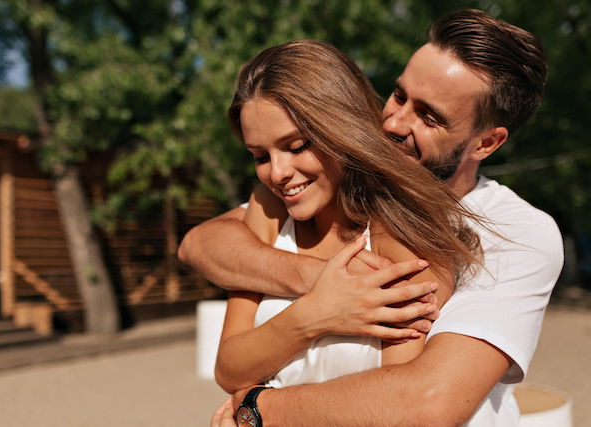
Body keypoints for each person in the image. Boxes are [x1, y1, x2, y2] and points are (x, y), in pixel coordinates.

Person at [179, 8, 564, 426]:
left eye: (429, 117)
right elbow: (201, 244)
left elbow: (426, 404)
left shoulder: (516, 232)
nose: (394, 122)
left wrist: (257, 409)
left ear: (486, 143)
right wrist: (325, 288)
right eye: (399, 96)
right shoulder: (318, 189)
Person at [214, 39, 484, 401]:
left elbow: (398, 404)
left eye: (296, 147)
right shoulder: (266, 210)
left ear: (343, 129)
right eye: (260, 156)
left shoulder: (403, 236)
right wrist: (314, 315)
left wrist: (258, 411)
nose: (277, 173)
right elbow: (229, 369)